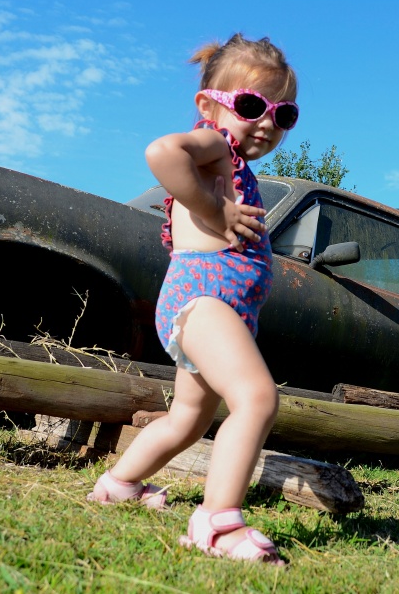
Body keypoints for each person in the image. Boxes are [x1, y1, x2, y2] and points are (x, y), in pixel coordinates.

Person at [87, 34, 298, 566]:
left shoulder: (233, 162)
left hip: (215, 305)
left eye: (284, 114)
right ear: (209, 105)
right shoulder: (213, 146)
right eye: (252, 106)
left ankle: (120, 484)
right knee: (256, 398)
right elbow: (161, 152)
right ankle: (218, 523)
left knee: (188, 418)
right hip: (204, 299)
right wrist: (215, 209)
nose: (267, 122)